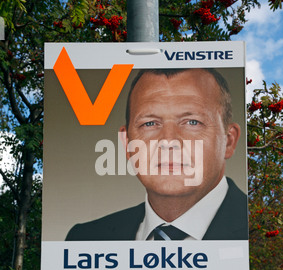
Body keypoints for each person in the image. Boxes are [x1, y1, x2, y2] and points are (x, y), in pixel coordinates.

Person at [66, 68, 248, 241]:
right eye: (150, 123)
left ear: (229, 140)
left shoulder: (259, 230)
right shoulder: (85, 238)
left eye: (192, 122)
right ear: (127, 142)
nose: (168, 141)